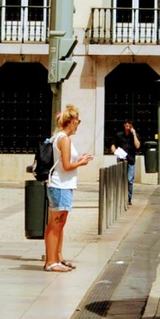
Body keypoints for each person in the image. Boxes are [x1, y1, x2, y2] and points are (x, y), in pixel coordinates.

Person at [46, 105, 94, 272]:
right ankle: (51, 262)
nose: (78, 125)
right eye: (78, 121)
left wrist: (79, 159)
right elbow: (66, 166)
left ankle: (57, 259)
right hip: (61, 185)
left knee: (58, 224)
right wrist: (81, 163)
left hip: (62, 185)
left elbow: (63, 161)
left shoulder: (60, 137)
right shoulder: (64, 139)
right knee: (56, 225)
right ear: (71, 122)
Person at [110, 120, 145, 205]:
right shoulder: (119, 135)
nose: (128, 127)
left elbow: (137, 146)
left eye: (130, 125)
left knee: (129, 180)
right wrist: (115, 152)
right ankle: (120, 197)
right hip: (121, 159)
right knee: (121, 179)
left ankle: (128, 198)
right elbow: (113, 144)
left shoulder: (134, 135)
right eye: (127, 125)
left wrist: (134, 134)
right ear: (124, 125)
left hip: (131, 160)